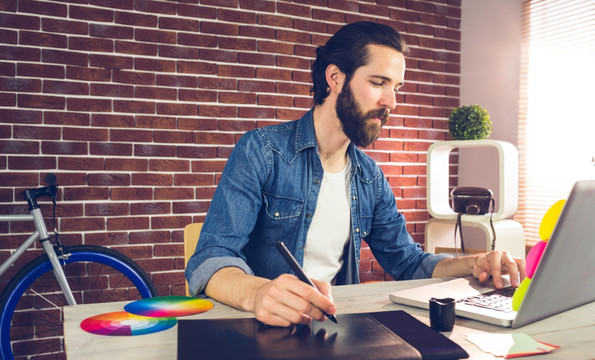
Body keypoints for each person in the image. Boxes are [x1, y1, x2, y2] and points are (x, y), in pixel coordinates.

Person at [185, 21, 525, 327]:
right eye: (379, 82)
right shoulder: (262, 151)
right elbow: (211, 258)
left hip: (336, 330)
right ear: (335, 78)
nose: (392, 100)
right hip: (262, 329)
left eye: (397, 88)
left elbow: (407, 261)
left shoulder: (369, 177)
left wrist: (475, 262)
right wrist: (258, 292)